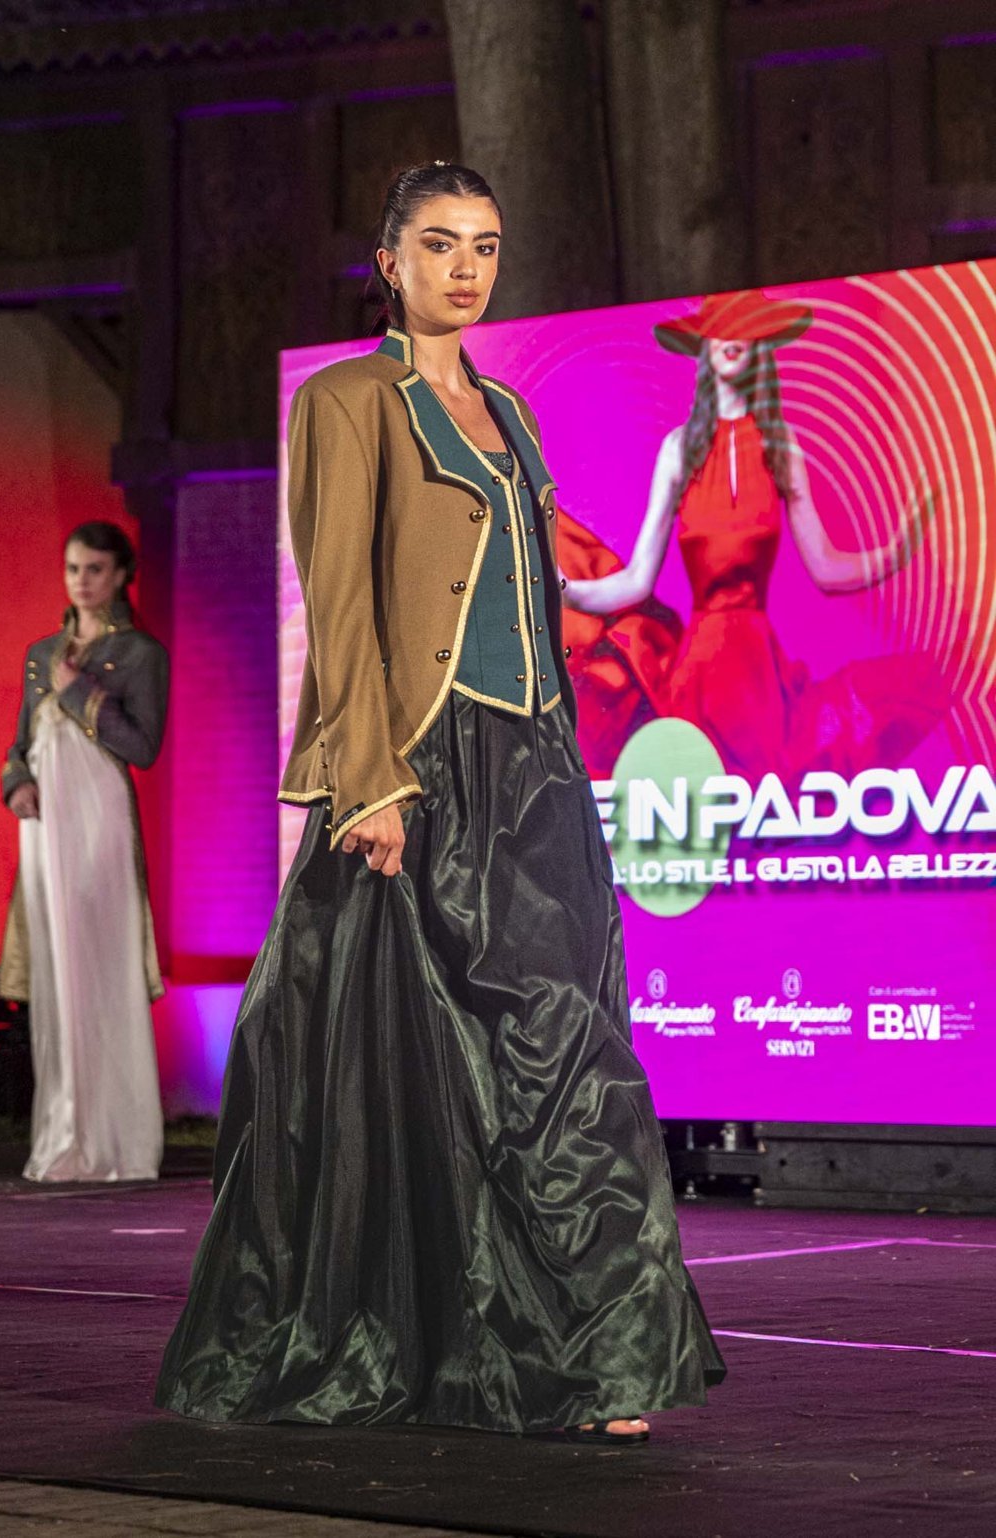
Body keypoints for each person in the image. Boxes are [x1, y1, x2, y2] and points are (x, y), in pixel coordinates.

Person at [155, 162, 724, 1441]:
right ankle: (527, 1357)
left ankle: (585, 1355)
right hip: (420, 760)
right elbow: (342, 600)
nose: (465, 268)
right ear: (388, 259)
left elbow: (534, 590)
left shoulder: (510, 411)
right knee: (424, 1065)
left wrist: (564, 750)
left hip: (535, 764)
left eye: (484, 245)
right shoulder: (349, 400)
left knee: (570, 1044)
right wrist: (368, 780)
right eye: (439, 243)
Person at [562, 289, 945, 780]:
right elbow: (636, 580)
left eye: (745, 326)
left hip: (759, 671)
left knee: (771, 787)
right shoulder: (679, 449)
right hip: (700, 669)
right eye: (721, 326)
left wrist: (898, 551)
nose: (732, 337)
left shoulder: (781, 446)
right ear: (704, 345)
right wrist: (567, 589)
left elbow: (827, 570)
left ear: (760, 345)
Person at [0, 521, 168, 1183]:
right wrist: (17, 784)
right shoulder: (41, 652)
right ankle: (63, 1136)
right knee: (57, 970)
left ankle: (118, 1143)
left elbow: (143, 747)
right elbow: (20, 744)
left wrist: (78, 691)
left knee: (101, 967)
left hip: (98, 821)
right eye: (74, 569)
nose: (82, 581)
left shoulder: (141, 654)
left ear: (121, 574)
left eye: (95, 569)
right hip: (47, 828)